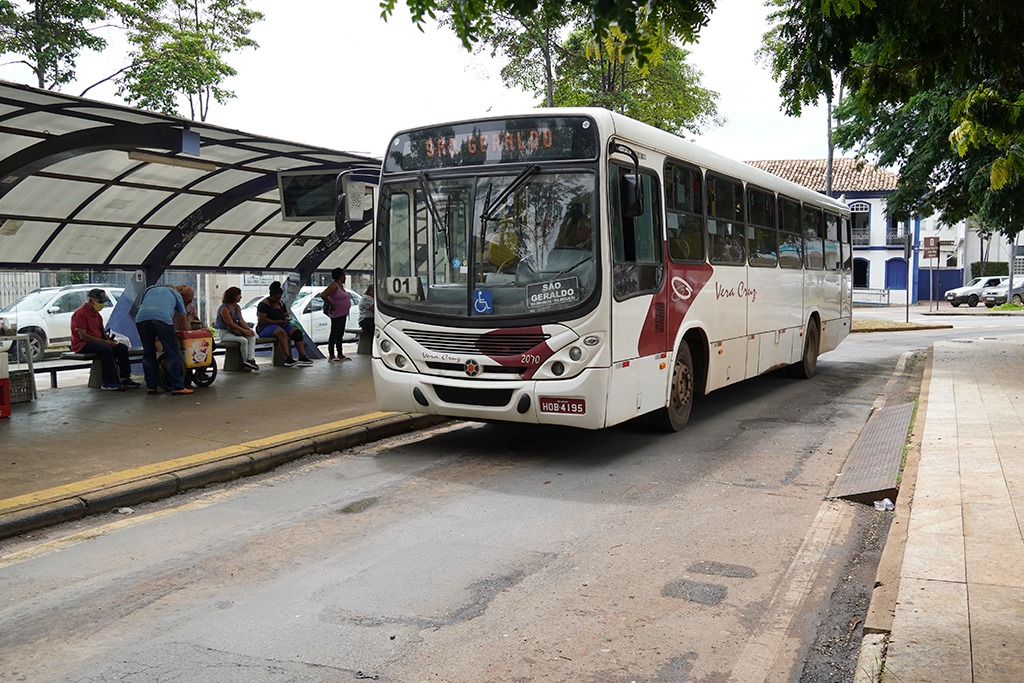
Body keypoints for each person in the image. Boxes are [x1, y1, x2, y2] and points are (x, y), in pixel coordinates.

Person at [70, 288, 141, 391]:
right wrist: (104, 342)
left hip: (98, 342)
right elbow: (83, 336)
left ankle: (125, 377)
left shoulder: (97, 315)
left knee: (121, 348)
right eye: (100, 302)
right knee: (106, 349)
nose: (102, 305)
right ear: (91, 301)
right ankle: (107, 381)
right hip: (82, 344)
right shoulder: (80, 314)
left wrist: (110, 341)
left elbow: (102, 332)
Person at [136, 284, 194, 395]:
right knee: (171, 353)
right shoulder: (176, 294)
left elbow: (141, 307)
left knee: (148, 353)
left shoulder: (149, 289)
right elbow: (183, 319)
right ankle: (177, 386)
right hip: (162, 320)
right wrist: (189, 334)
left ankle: (151, 386)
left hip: (141, 320)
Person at [256, 281, 312, 367]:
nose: (277, 299)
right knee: (281, 333)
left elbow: (286, 314)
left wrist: (286, 320)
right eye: (275, 298)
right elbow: (262, 319)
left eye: (278, 297)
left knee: (297, 332)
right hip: (265, 327)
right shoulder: (264, 304)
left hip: (280, 324)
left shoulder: (281, 303)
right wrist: (275, 322)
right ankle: (287, 358)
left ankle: (302, 356)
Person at [214, 286, 259, 371]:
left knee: (252, 338)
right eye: (239, 295)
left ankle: (251, 359)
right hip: (224, 333)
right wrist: (244, 331)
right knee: (243, 340)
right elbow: (230, 323)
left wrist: (249, 330)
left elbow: (241, 320)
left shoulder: (237, 307)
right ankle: (245, 360)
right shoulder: (224, 308)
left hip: (234, 331)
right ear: (234, 296)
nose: (240, 297)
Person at [320, 268, 352, 362]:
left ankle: (340, 353)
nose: (345, 277)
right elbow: (323, 295)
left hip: (343, 313)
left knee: (340, 334)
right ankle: (331, 355)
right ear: (340, 276)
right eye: (344, 275)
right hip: (337, 313)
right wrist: (331, 304)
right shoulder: (334, 286)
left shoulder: (341, 286)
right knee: (334, 333)